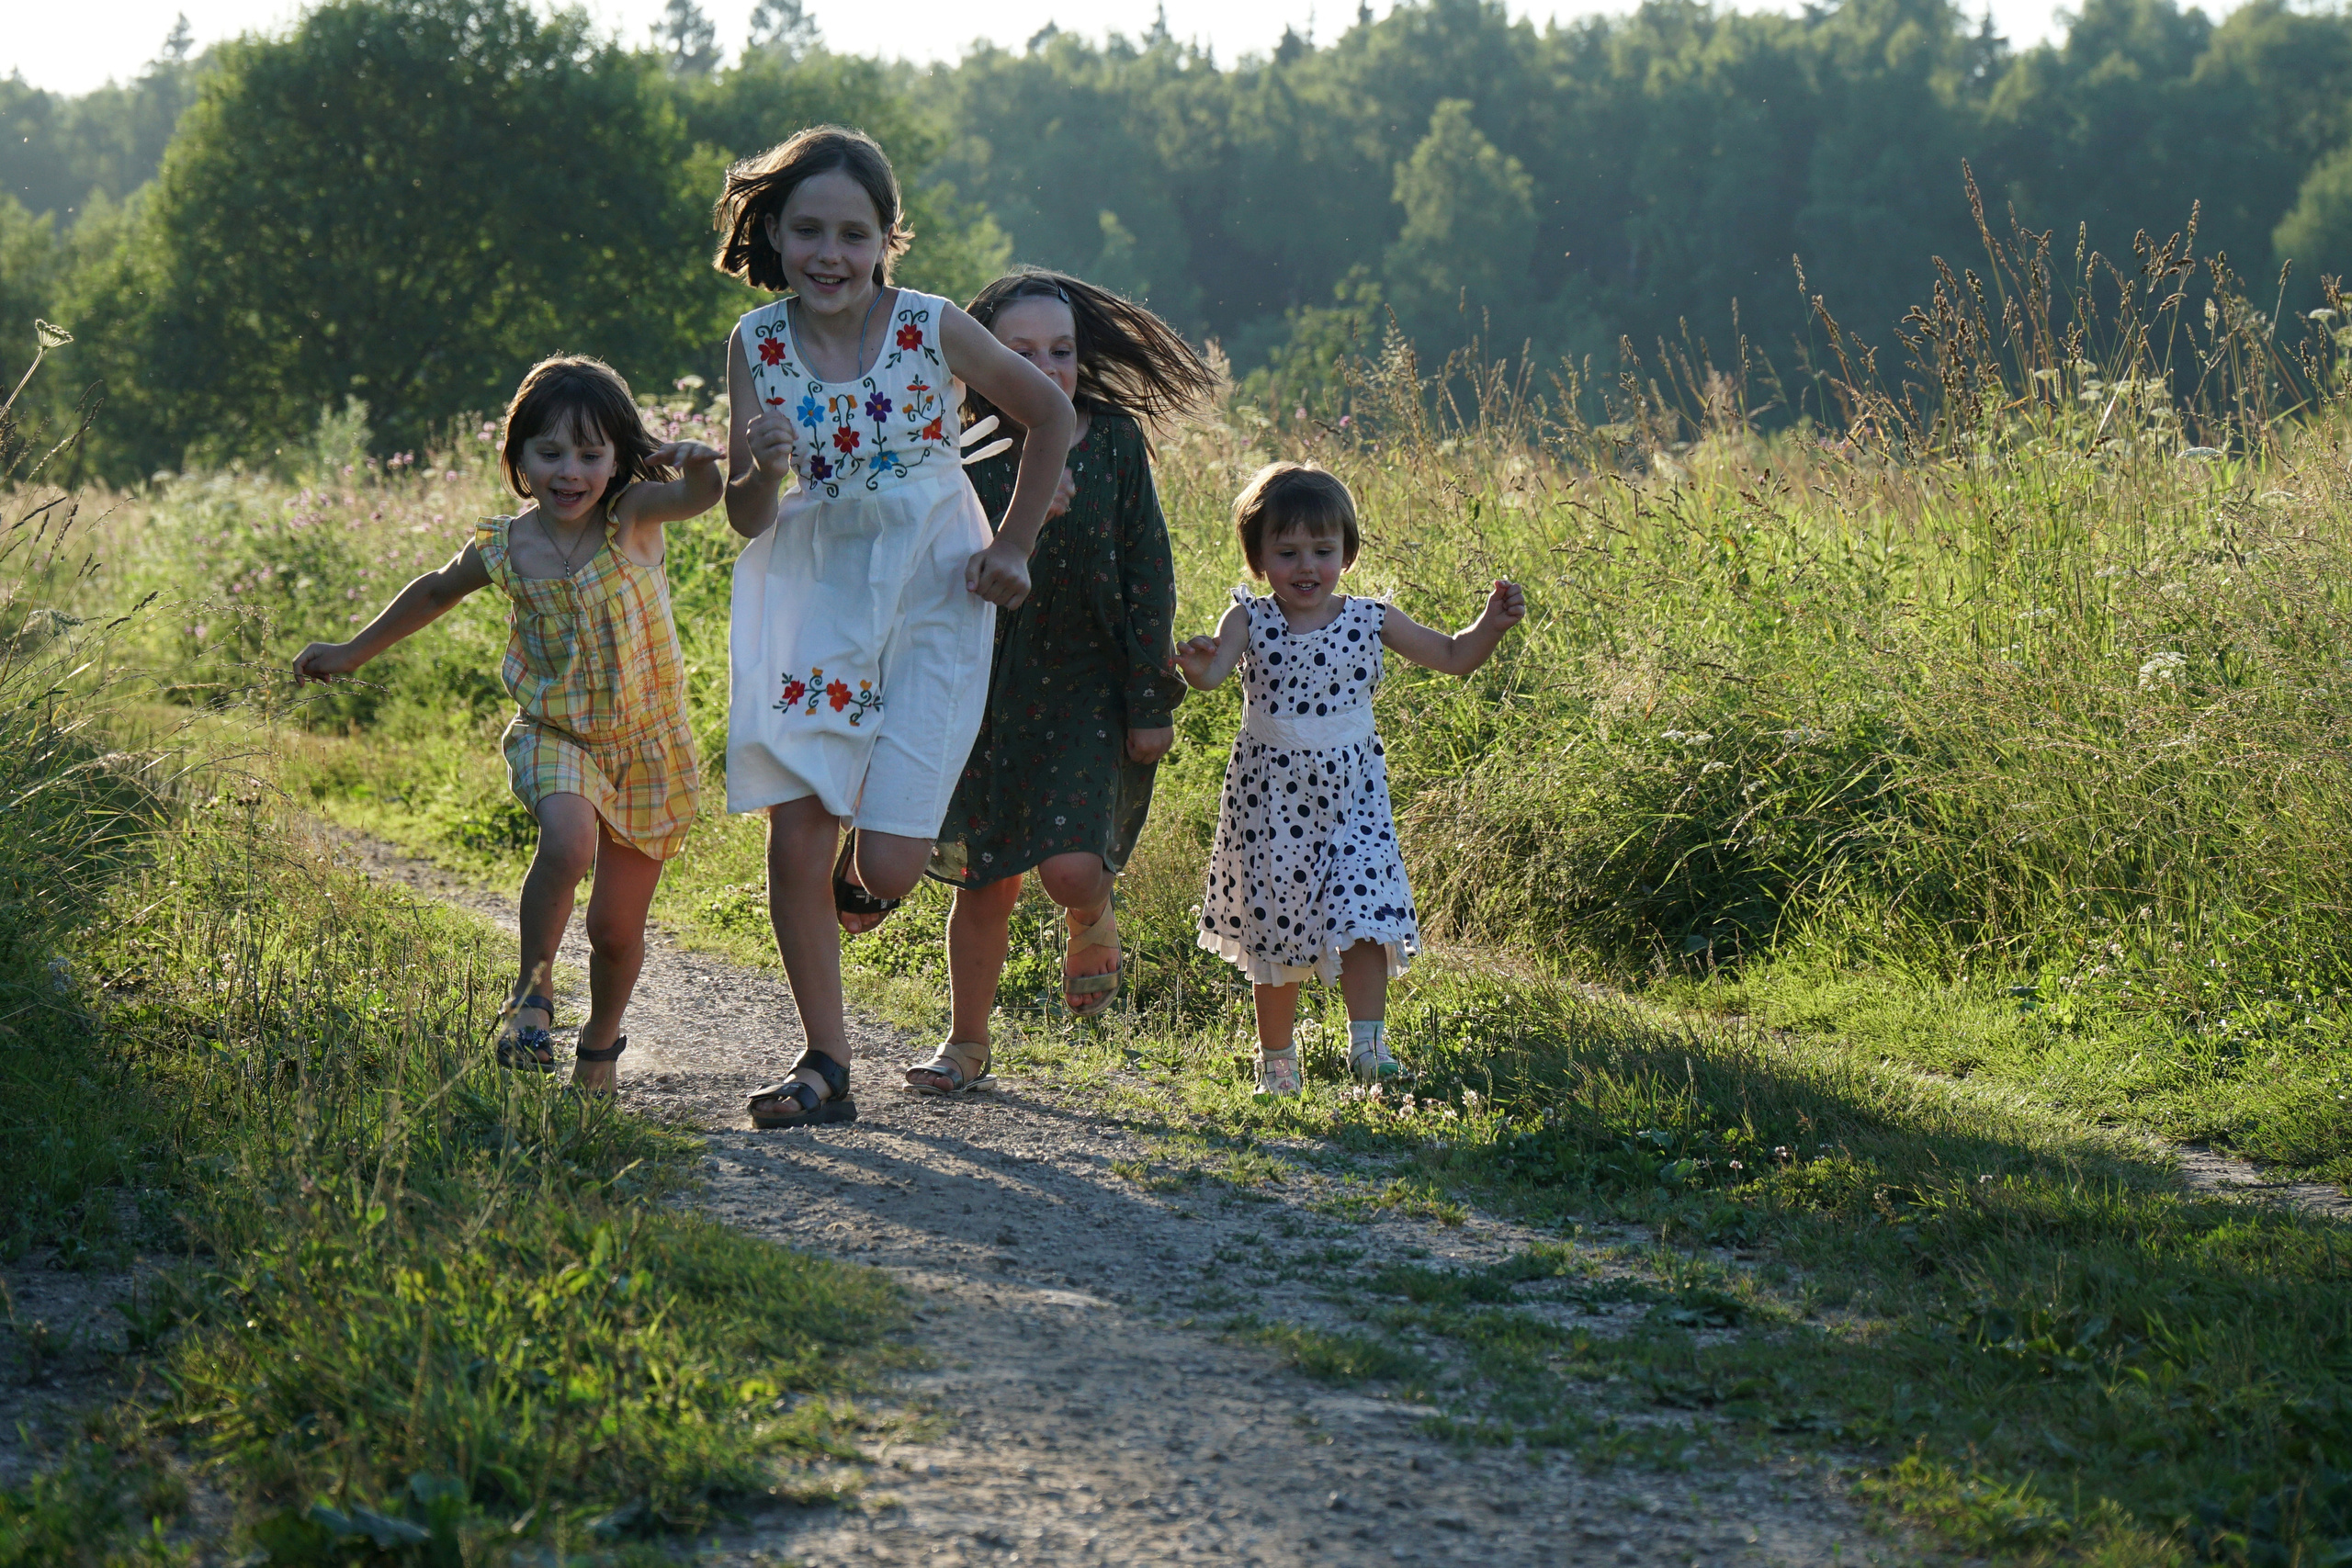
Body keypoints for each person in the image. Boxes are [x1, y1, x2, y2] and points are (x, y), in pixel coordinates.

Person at [713, 126, 1076, 1129]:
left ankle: (852, 859)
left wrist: (1013, 547)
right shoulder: (758, 345)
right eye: (807, 232)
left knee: (891, 869)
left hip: (933, 594)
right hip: (816, 592)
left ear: (885, 241)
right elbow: (745, 516)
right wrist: (762, 469)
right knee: (797, 829)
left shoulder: (929, 326)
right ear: (775, 234)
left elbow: (1050, 418)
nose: (829, 254)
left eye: (852, 233)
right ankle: (824, 1064)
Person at [292, 356, 723, 1094]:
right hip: (557, 734)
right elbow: (433, 593)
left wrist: (699, 466)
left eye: (590, 454)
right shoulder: (505, 548)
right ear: (518, 455)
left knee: (616, 932)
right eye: (549, 452)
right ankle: (531, 996)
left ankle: (600, 1042)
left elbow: (703, 498)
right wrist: (350, 652)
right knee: (567, 838)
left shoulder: (634, 519)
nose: (569, 472)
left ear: (620, 459)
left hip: (650, 749)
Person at [900, 269, 1218, 1096]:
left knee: (1070, 868)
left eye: (1062, 351)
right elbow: (935, 575)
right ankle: (966, 1043)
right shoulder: (958, 450)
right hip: (984, 685)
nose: (1046, 368)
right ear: (978, 363)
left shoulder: (1111, 441)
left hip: (1086, 680)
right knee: (984, 879)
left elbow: (1150, 567)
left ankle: (1090, 912)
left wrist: (1152, 699)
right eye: (1021, 352)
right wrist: (1025, 520)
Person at [1172, 462, 1525, 1096]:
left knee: (1366, 916)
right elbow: (1214, 673)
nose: (1306, 566)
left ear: (1347, 552)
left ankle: (1368, 1046)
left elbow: (1451, 655)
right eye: (1286, 551)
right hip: (1272, 797)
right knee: (1275, 932)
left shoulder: (1370, 617)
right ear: (1258, 559)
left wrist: (1490, 625)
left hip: (1354, 796)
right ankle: (1277, 1059)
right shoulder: (1249, 619)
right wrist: (1197, 665)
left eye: (1322, 550)